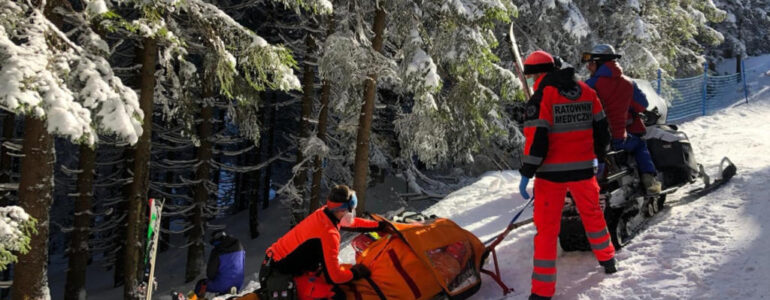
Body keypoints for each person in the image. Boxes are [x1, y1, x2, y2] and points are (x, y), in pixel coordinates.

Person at [517, 50, 617, 300]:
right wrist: (597, 156)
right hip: (584, 171)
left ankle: (542, 292)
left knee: (547, 232)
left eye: (530, 77)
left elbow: (537, 141)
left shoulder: (541, 98)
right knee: (593, 215)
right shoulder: (586, 91)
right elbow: (602, 131)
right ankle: (608, 260)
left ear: (537, 75)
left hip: (551, 176)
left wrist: (527, 171)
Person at [259, 184, 390, 300]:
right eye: (351, 208)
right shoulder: (328, 234)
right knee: (335, 295)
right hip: (280, 277)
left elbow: (351, 223)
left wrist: (378, 226)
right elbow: (335, 277)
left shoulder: (324, 213)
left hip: (272, 264)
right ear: (341, 210)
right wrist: (357, 272)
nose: (353, 212)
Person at [582, 44, 662, 194]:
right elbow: (642, 104)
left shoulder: (589, 85)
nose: (588, 67)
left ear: (600, 63)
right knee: (640, 145)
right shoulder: (629, 83)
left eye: (591, 63)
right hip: (619, 138)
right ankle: (649, 180)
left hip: (596, 139)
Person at [193, 230, 246, 298]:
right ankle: (226, 292)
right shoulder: (239, 246)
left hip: (222, 284)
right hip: (239, 283)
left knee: (201, 284)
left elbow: (210, 274)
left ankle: (198, 298)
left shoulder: (217, 252)